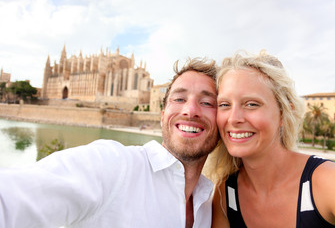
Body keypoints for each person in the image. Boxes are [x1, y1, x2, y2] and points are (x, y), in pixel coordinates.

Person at [0, 57, 219, 228]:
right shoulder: (114, 166)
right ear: (162, 115)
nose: (190, 110)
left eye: (207, 102)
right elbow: (13, 198)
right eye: (179, 99)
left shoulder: (211, 207)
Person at [210, 51, 335, 227]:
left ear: (283, 114)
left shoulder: (334, 182)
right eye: (224, 105)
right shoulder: (226, 193)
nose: (233, 118)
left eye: (251, 104)